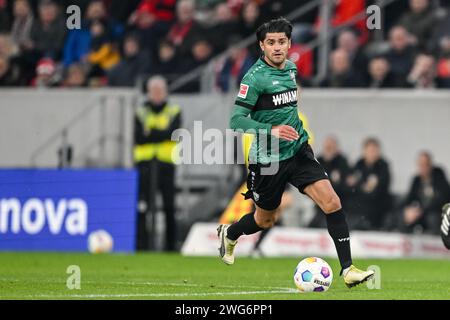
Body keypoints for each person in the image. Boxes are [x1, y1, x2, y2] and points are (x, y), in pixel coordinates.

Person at [217, 18, 374, 288]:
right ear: (261, 46)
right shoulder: (254, 79)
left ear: (289, 44)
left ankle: (348, 270)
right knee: (265, 219)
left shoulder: (290, 68)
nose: (277, 47)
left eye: (281, 42)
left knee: (332, 202)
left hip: (298, 150)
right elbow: (236, 121)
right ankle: (230, 233)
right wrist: (272, 129)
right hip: (267, 161)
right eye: (271, 43)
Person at [134, 75, 181, 251]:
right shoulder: (141, 112)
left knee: (169, 207)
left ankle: (170, 247)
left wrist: (150, 133)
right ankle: (142, 245)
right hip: (144, 165)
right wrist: (162, 133)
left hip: (166, 165)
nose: (157, 94)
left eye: (160, 90)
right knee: (142, 206)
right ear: (148, 92)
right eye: (154, 91)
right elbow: (138, 138)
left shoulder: (174, 110)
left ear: (166, 92)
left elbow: (174, 133)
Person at [346, 138, 391, 230]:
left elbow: (381, 188)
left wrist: (362, 186)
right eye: (370, 150)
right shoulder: (359, 164)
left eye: (374, 151)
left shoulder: (383, 166)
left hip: (377, 203)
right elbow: (351, 184)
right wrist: (364, 186)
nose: (372, 153)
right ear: (364, 151)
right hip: (359, 202)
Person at [400, 152, 450, 234]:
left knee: (432, 218)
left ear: (430, 164)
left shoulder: (439, 177)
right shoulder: (416, 180)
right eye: (421, 164)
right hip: (421, 213)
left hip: (437, 213)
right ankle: (406, 244)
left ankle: (435, 245)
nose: (423, 167)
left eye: (426, 164)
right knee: (404, 216)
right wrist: (407, 210)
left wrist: (422, 210)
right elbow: (409, 198)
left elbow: (443, 200)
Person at [309, 136, 351, 228]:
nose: (328, 150)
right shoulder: (318, 161)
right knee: (311, 227)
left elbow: (346, 186)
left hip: (339, 206)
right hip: (320, 206)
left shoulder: (342, 162)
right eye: (327, 147)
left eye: (331, 148)